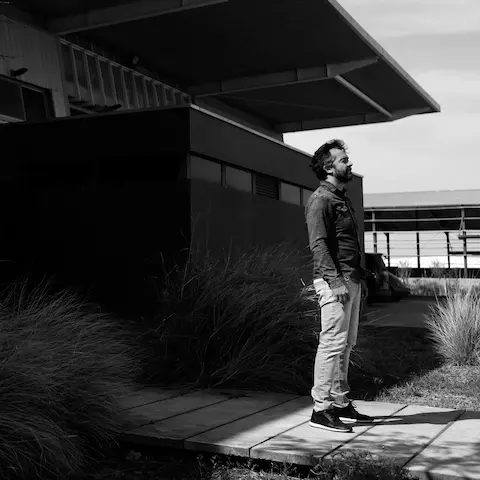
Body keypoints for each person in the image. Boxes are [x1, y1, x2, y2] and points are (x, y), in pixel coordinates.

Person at [304, 139, 374, 433]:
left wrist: (360, 277)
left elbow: (346, 245)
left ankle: (340, 402)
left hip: (350, 279)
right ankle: (321, 409)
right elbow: (318, 245)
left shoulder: (341, 199)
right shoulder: (321, 200)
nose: (350, 163)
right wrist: (335, 282)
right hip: (335, 282)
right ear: (328, 167)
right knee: (332, 344)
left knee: (346, 345)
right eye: (344, 160)